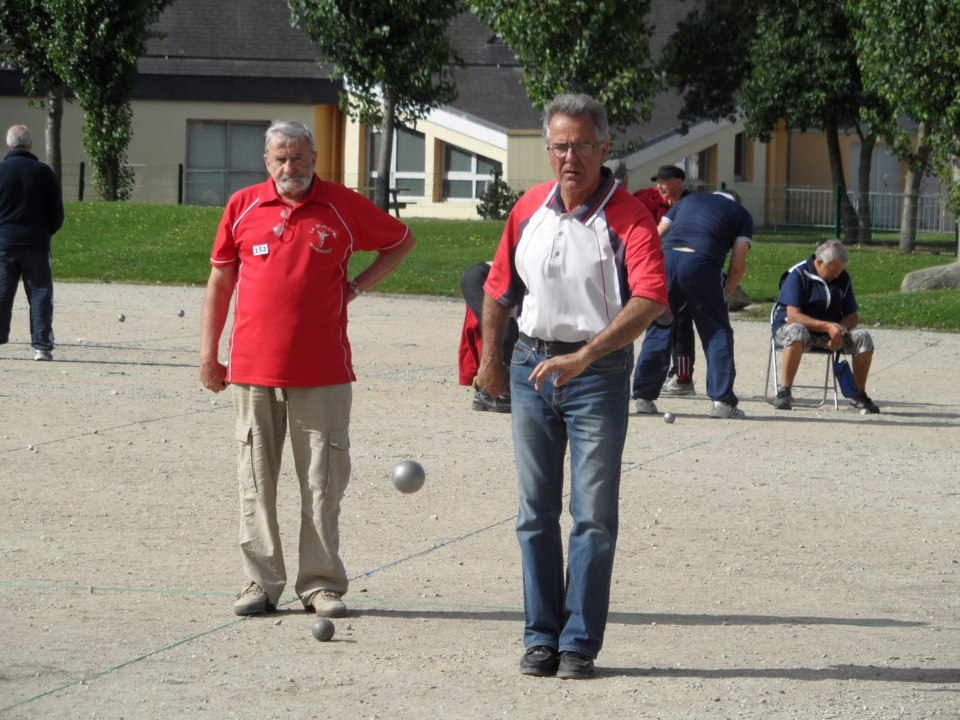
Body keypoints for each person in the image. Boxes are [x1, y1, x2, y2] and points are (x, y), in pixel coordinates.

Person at [477, 94, 668, 680]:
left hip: (596, 374)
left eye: (582, 145)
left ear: (603, 148)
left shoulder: (628, 217)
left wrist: (586, 356)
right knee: (534, 513)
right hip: (529, 368)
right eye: (559, 146)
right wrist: (489, 361)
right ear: (548, 149)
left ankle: (579, 643)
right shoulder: (528, 207)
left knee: (592, 516)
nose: (569, 157)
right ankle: (540, 637)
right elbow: (498, 288)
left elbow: (650, 298)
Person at [199, 120, 416, 618]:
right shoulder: (243, 205)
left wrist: (356, 286)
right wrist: (208, 354)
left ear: (314, 158)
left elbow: (402, 241)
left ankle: (320, 584)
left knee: (322, 482)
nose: (289, 167)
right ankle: (261, 583)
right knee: (255, 479)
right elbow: (220, 283)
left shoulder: (341, 205)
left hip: (323, 370)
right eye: (280, 158)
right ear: (266, 162)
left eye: (298, 157)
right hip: (252, 369)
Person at [632, 190, 752, 418]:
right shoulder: (740, 213)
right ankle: (722, 402)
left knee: (660, 325)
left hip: (666, 260)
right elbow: (738, 264)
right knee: (716, 330)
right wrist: (725, 291)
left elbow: (655, 236)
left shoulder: (686, 201)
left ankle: (644, 398)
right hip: (701, 262)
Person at [771, 238, 879, 413]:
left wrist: (838, 331)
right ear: (819, 262)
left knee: (862, 337)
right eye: (833, 271)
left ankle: (858, 396)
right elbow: (793, 316)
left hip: (830, 333)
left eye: (840, 271)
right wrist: (828, 327)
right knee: (797, 330)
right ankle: (784, 392)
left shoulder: (843, 278)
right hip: (791, 330)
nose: (837, 275)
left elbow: (852, 316)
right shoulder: (798, 274)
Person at [0, 125, 64, 361]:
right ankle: (41, 346)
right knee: (39, 293)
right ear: (30, 145)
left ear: (8, 144)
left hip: (4, 243)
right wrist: (47, 232)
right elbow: (56, 213)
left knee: (2, 292)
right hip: (36, 242)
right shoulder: (44, 172)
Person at [635, 165, 695, 396]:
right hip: (660, 268)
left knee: (680, 322)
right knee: (661, 320)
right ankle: (670, 375)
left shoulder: (690, 205)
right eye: (658, 182)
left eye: (665, 181)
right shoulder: (655, 202)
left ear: (679, 181)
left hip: (683, 268)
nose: (660, 186)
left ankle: (682, 377)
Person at [458, 261, 517, 412]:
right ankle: (494, 394)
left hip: (503, 279)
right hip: (483, 278)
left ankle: (500, 389)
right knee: (505, 330)